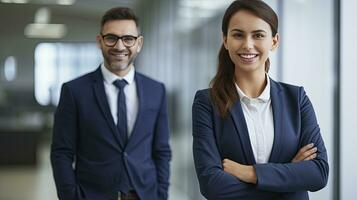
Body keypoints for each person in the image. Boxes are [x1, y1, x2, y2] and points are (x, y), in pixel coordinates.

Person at [192, 0, 329, 199]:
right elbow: (212, 185)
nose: (248, 45)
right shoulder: (207, 102)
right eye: (238, 35)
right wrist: (289, 175)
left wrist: (250, 173)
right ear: (225, 40)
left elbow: (319, 173)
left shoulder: (297, 99)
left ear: (274, 41)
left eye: (258, 35)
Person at [51, 7, 171, 200]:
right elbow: (61, 153)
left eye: (128, 39)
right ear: (100, 41)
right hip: (91, 195)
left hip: (144, 194)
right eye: (111, 38)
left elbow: (162, 151)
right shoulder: (74, 91)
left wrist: (161, 194)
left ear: (139, 43)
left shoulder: (156, 90)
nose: (120, 46)